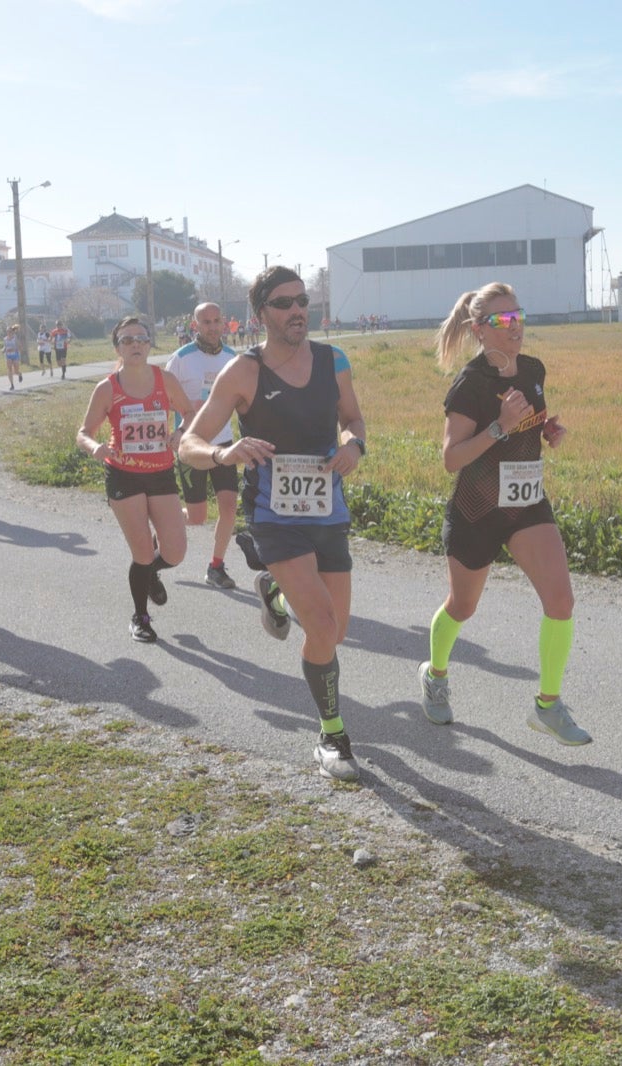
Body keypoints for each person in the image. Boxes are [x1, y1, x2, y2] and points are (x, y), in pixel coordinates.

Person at [180, 266, 367, 782]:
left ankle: (276, 596)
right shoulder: (243, 371)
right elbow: (188, 445)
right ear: (261, 314)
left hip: (329, 509)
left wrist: (354, 443)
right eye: (284, 303)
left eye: (303, 300)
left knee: (336, 631)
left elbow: (354, 419)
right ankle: (332, 736)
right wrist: (225, 452)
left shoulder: (334, 360)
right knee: (323, 626)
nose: (297, 310)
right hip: (273, 514)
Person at [417, 283, 585, 745]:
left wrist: (545, 428)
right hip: (477, 511)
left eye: (519, 316)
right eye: (504, 321)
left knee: (561, 602)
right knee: (463, 606)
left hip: (527, 505)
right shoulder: (471, 385)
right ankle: (435, 674)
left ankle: (547, 706)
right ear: (479, 330)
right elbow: (452, 459)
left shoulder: (532, 369)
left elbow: (528, 420)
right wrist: (500, 426)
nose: (517, 327)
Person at [75, 316, 192, 643]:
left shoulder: (164, 379)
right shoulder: (107, 388)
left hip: (161, 473)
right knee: (141, 551)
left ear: (149, 344)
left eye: (141, 338)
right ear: (118, 348)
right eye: (128, 340)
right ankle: (140, 616)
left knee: (176, 552)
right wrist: (95, 447)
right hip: (124, 474)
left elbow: (190, 412)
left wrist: (180, 432)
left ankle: (150, 572)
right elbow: (83, 433)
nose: (136, 344)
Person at [164, 302, 239, 590]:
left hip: (223, 443)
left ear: (224, 323)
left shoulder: (233, 358)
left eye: (216, 320)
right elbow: (164, 398)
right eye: (205, 322)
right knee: (197, 517)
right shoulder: (181, 358)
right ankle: (165, 520)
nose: (212, 326)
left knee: (229, 507)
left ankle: (216, 567)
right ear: (195, 325)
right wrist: (178, 425)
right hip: (191, 444)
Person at [2, 324, 22, 389]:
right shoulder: (5, 339)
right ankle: (12, 384)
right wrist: (3, 350)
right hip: (8, 356)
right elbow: (5, 346)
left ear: (12, 332)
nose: (9, 333)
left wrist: (14, 349)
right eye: (8, 331)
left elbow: (19, 347)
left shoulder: (15, 338)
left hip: (15, 355)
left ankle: (19, 374)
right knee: (9, 369)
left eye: (10, 331)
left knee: (16, 371)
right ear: (6, 332)